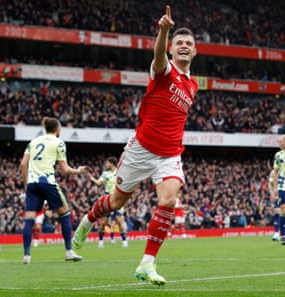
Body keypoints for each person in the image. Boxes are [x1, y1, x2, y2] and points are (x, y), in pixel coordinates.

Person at [72, 5, 198, 286]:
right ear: (172, 49)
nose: (184, 47)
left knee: (168, 200)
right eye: (179, 43)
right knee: (116, 203)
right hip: (141, 149)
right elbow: (158, 56)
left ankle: (147, 263)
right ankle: (89, 218)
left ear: (195, 51)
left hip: (170, 154)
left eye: (189, 44)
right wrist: (164, 31)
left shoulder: (193, 86)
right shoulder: (163, 70)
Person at [20, 116, 87, 264]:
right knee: (65, 213)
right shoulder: (59, 143)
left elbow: (23, 164)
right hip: (48, 182)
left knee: (29, 218)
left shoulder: (33, 142)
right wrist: (77, 171)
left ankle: (26, 255)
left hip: (32, 183)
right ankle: (69, 251)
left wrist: (27, 184)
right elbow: (64, 170)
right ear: (57, 129)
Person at [87, 156, 128, 248]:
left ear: (112, 163)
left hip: (118, 198)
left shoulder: (119, 172)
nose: (106, 164)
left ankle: (124, 241)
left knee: (119, 220)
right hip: (108, 199)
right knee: (104, 222)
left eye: (107, 163)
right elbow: (98, 183)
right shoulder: (105, 174)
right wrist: (91, 178)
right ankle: (101, 241)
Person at [268, 169, 281, 241]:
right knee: (276, 212)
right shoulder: (273, 172)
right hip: (276, 196)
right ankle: (276, 233)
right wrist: (272, 194)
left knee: (284, 214)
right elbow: (270, 184)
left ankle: (282, 233)